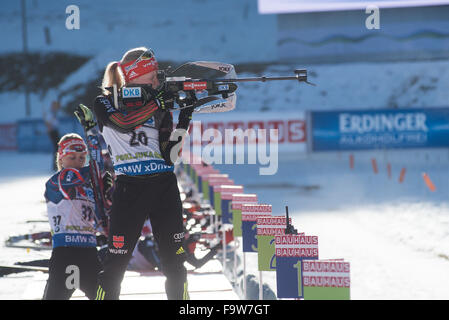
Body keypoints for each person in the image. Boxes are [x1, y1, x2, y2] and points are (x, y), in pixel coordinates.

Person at [90, 47, 195, 300]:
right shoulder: (105, 101)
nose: (157, 82)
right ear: (136, 74)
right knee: (115, 265)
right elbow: (123, 123)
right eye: (153, 78)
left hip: (164, 187)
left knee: (175, 263)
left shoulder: (159, 106)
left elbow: (170, 155)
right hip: (129, 188)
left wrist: (185, 116)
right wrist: (157, 102)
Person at [42, 133, 112, 300]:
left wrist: (106, 192)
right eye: (71, 157)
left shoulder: (89, 185)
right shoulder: (55, 182)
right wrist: (93, 139)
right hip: (65, 254)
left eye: (82, 158)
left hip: (89, 253)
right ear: (60, 158)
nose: (77, 162)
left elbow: (101, 214)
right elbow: (82, 175)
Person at [44, 100, 61, 171]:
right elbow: (48, 123)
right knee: (56, 148)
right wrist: (49, 128)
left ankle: (56, 165)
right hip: (53, 132)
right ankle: (55, 165)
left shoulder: (53, 113)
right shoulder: (50, 113)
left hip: (54, 131)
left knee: (57, 148)